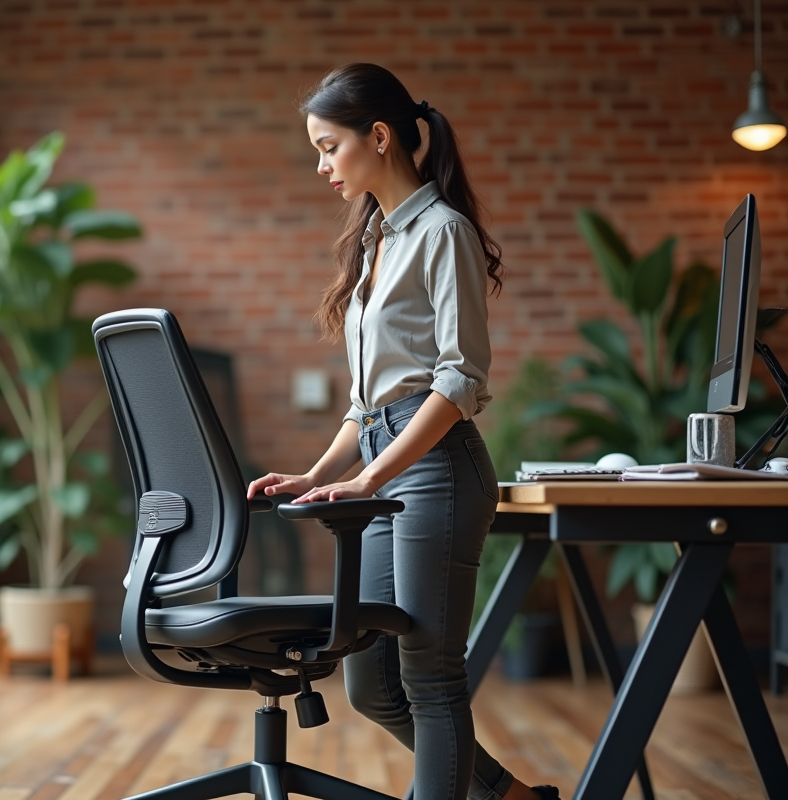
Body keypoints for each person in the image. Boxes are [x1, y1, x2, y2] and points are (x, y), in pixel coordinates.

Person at [246, 63, 560, 800]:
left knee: (430, 680)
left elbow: (458, 381)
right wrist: (320, 474)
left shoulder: (442, 232)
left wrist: (370, 476)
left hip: (436, 471)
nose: (322, 166)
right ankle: (514, 798)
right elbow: (368, 403)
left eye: (329, 147)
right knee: (372, 686)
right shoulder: (374, 239)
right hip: (385, 469)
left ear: (379, 137)